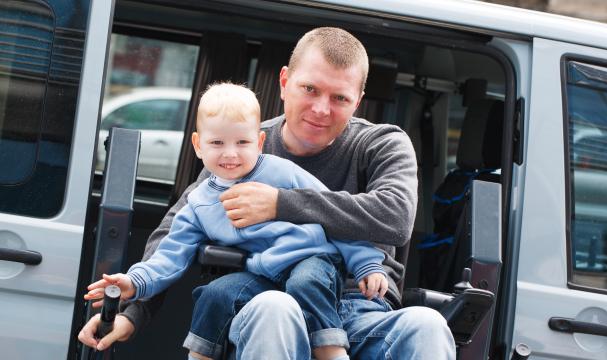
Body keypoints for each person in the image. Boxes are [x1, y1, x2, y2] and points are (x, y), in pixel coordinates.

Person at [79, 27, 456, 359]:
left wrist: (280, 204)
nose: (321, 109)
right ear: (284, 81)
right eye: (310, 89)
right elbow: (176, 231)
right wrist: (132, 312)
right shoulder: (240, 146)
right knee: (276, 307)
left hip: (360, 308)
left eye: (339, 98)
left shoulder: (382, 144)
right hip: (265, 301)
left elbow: (395, 217)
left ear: (358, 99)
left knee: (428, 325)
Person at [83, 83, 388, 360]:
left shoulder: (283, 173)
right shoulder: (199, 202)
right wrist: (135, 282)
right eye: (217, 143)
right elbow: (169, 254)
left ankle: (331, 352)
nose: (230, 154)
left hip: (314, 261)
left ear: (260, 141)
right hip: (264, 273)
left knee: (306, 281)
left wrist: (367, 264)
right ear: (198, 144)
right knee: (215, 294)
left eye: (242, 142)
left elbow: (334, 216)